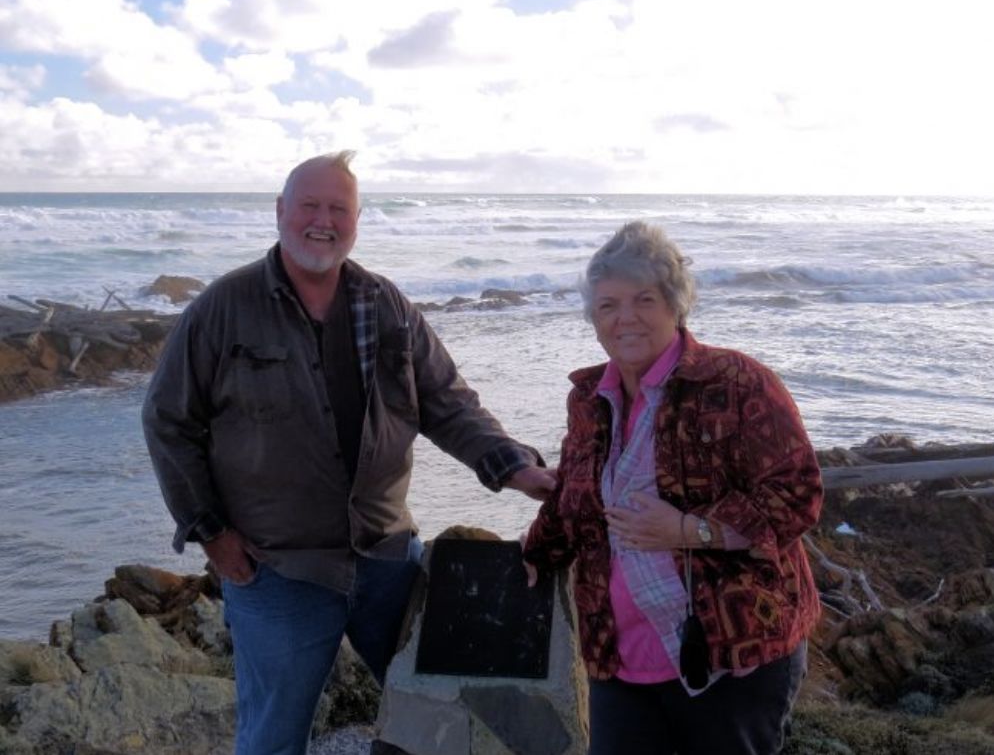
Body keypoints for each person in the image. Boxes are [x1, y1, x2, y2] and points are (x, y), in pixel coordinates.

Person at [142, 151, 555, 755]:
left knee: (432, 714)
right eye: (309, 205)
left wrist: (515, 467)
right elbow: (168, 422)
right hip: (277, 568)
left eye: (339, 208)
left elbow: (446, 401)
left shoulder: (386, 305)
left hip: (387, 558)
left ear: (357, 220)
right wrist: (211, 534)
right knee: (273, 739)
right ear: (281, 211)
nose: (322, 220)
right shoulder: (223, 308)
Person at [522, 221, 822, 755]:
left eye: (645, 299)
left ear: (675, 305)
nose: (626, 318)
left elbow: (797, 493)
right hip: (618, 651)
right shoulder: (590, 396)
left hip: (733, 650)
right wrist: (534, 555)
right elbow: (574, 495)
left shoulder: (736, 382)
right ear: (593, 317)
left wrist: (689, 529)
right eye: (608, 305)